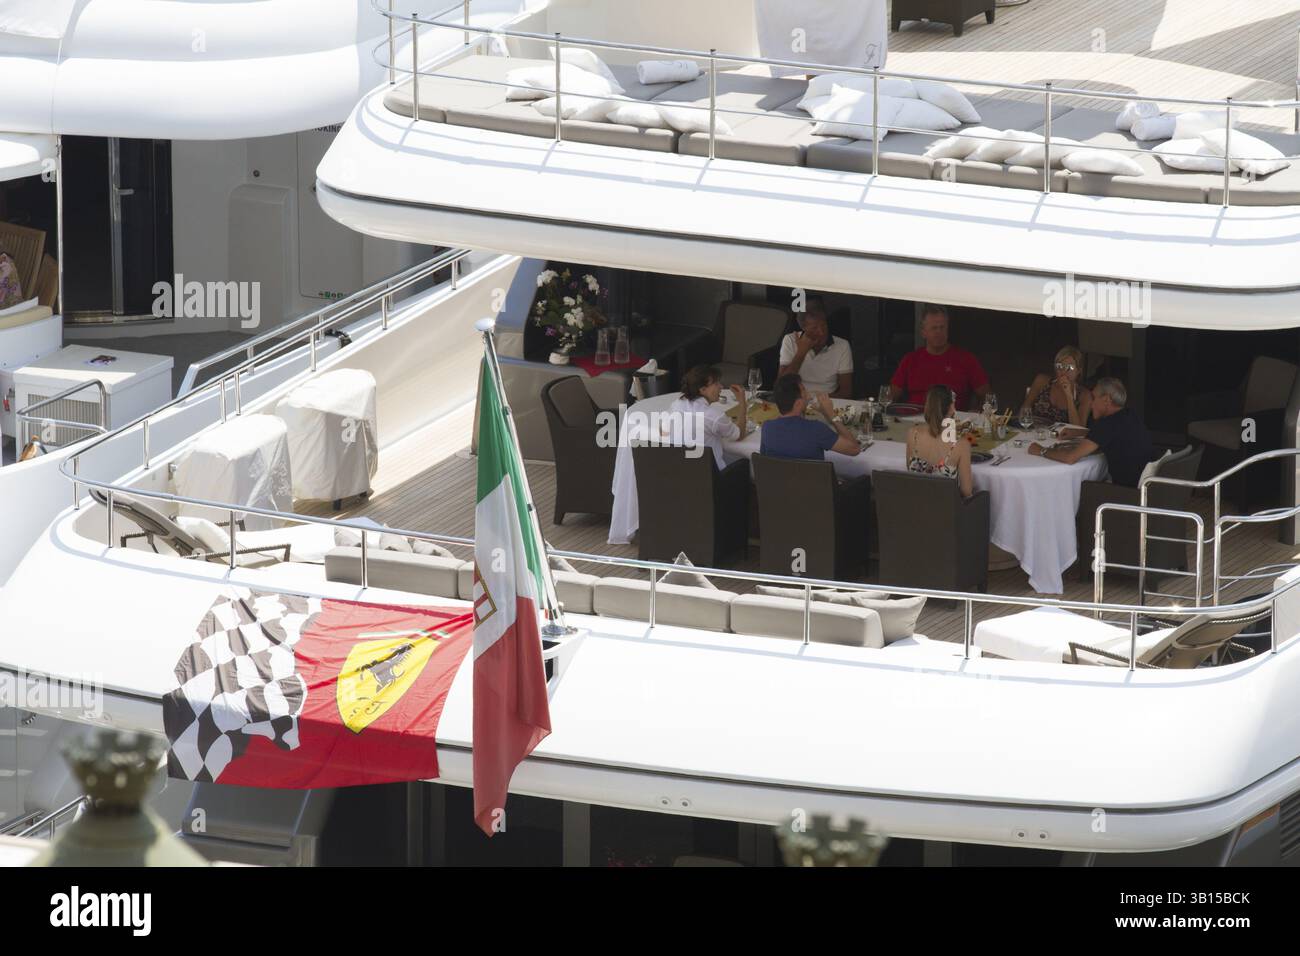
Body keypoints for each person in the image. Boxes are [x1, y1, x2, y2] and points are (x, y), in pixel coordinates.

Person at [1028, 378, 1155, 487]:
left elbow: (1070, 458)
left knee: (1082, 488)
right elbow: (1110, 435)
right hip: (1148, 486)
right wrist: (1078, 433)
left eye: (1094, 398)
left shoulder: (1107, 425)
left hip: (1127, 493)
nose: (1091, 404)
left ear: (1106, 400)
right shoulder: (1129, 414)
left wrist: (1040, 450)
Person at [889, 304, 989, 410]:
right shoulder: (910, 360)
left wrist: (976, 416)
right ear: (923, 332)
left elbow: (987, 397)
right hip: (914, 421)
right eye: (934, 328)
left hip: (952, 422)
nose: (938, 332)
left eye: (942, 327)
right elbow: (890, 396)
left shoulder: (966, 359)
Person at [759, 373, 864, 461]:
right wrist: (832, 415)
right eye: (804, 391)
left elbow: (764, 461)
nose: (809, 396)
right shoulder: (816, 429)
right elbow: (854, 449)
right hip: (814, 485)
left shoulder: (767, 427)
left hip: (779, 485)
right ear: (798, 404)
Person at [664, 365, 746, 470]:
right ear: (703, 389)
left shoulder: (677, 404)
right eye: (716, 383)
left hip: (681, 472)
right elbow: (739, 435)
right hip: (712, 478)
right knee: (744, 462)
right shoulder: (714, 416)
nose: (721, 386)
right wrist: (743, 403)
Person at [906, 385, 974, 498]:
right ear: (952, 408)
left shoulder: (913, 434)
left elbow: (910, 472)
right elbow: (966, 491)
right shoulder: (961, 444)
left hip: (916, 509)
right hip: (946, 513)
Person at [777, 297, 853, 398]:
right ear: (803, 328)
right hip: (796, 401)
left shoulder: (842, 345)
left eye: (824, 325)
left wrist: (819, 403)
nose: (821, 332)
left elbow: (846, 392)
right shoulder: (790, 340)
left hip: (828, 401)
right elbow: (781, 386)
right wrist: (801, 352)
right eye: (814, 328)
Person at [1019, 345, 1091, 426]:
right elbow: (1025, 408)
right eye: (1059, 366)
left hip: (1063, 438)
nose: (1063, 371)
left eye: (1070, 367)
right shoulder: (1042, 381)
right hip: (1037, 434)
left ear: (1079, 371)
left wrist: (1069, 396)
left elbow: (1079, 430)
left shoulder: (1084, 395)